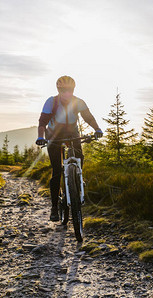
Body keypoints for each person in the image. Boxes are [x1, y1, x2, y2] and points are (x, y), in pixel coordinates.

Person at [36, 75, 103, 221]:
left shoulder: (78, 102)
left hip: (73, 134)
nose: (67, 93)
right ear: (58, 90)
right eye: (63, 90)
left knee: (80, 158)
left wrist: (97, 129)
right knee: (56, 171)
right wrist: (41, 137)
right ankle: (54, 207)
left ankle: (78, 177)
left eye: (70, 90)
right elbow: (42, 122)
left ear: (73, 90)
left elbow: (88, 117)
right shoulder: (51, 102)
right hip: (54, 135)